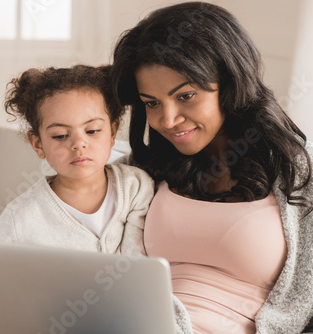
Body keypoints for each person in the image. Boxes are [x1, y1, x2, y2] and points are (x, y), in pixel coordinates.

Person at [110, 2, 313, 334]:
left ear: (230, 84)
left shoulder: (299, 173)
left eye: (186, 96)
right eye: (152, 103)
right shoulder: (137, 174)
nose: (168, 119)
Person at [0, 65, 154, 257]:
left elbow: (139, 263)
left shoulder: (136, 187)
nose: (78, 144)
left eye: (92, 131)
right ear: (38, 144)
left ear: (112, 133)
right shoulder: (18, 219)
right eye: (60, 136)